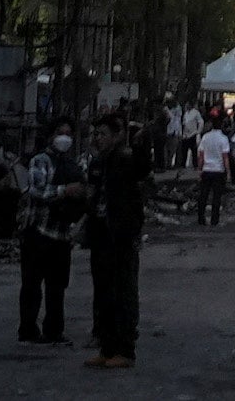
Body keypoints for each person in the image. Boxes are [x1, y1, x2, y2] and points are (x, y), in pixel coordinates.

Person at [81, 119, 152, 374]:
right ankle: (107, 348)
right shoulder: (98, 163)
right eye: (95, 133)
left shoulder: (125, 160)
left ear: (116, 136)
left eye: (102, 134)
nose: (97, 138)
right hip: (100, 236)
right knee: (103, 293)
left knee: (123, 292)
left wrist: (141, 142)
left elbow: (144, 169)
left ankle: (124, 349)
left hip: (120, 238)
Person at [10, 129, 75, 349]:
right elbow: (37, 190)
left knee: (57, 286)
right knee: (32, 283)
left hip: (61, 232)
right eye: (60, 133)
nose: (64, 138)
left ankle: (54, 330)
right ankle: (27, 329)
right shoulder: (40, 161)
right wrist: (65, 191)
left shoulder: (70, 163)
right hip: (37, 230)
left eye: (68, 134)